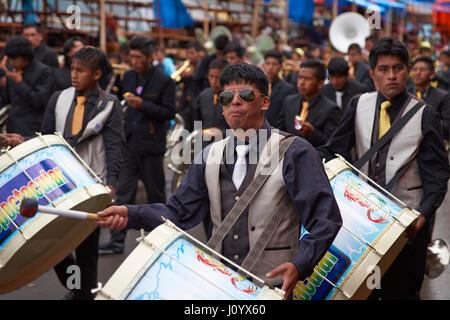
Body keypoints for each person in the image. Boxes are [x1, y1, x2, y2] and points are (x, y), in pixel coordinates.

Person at [97, 63, 342, 300]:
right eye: (226, 97)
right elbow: (179, 213)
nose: (235, 102)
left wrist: (300, 264)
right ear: (222, 106)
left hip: (272, 288)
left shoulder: (295, 151)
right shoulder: (208, 155)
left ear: (265, 102)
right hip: (219, 284)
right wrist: (131, 213)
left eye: (245, 95)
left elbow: (325, 219)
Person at [317, 37, 450, 300]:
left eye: (398, 68)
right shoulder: (358, 105)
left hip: (408, 225)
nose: (392, 76)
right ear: (372, 73)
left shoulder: (425, 113)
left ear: (407, 70)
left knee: (402, 292)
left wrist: (422, 216)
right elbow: (334, 150)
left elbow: (437, 176)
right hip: (363, 222)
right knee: (362, 291)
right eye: (384, 69)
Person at [99, 37, 176, 255]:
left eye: (138, 57)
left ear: (150, 58)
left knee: (155, 197)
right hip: (130, 143)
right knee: (124, 194)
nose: (134, 61)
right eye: (131, 56)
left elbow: (169, 112)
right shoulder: (128, 76)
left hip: (152, 146)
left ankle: (161, 242)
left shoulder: (165, 81)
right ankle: (116, 241)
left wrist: (144, 105)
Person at [0, 36, 54, 137]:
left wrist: (19, 82)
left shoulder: (44, 71)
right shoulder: (11, 69)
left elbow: (40, 101)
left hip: (32, 130)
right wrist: (3, 84)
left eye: (14, 59)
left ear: (25, 56)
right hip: (12, 128)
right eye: (10, 59)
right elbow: (6, 99)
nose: (11, 63)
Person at [281, 59, 341, 147]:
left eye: (307, 79)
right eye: (300, 77)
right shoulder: (289, 101)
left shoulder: (330, 109)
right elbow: (280, 130)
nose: (301, 83)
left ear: (320, 83)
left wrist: (312, 133)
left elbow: (332, 144)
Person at [261, 50, 296, 130]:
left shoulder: (288, 89)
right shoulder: (257, 87)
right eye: (268, 63)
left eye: (274, 64)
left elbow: (288, 115)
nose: (270, 67)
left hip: (278, 132)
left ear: (280, 67)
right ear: (263, 66)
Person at [193, 57, 229, 132]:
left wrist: (222, 133)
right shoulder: (203, 95)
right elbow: (197, 124)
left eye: (217, 77)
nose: (213, 81)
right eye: (211, 76)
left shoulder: (233, 99)